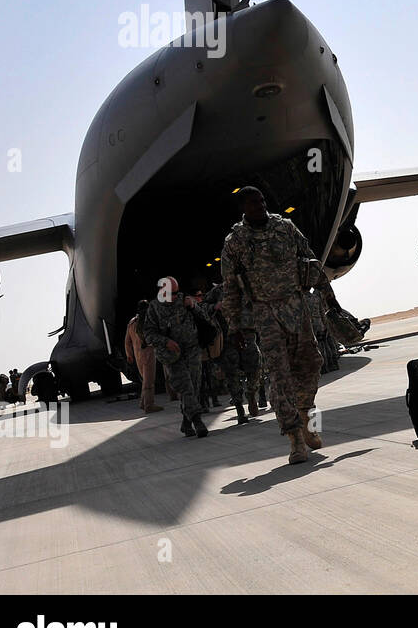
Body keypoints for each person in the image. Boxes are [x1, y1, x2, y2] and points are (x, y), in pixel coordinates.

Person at [219, 186, 331, 464]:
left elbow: (311, 260)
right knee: (279, 376)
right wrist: (234, 327)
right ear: (243, 208)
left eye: (262, 201)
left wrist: (329, 297)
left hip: (296, 306)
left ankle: (306, 416)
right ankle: (294, 439)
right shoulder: (235, 242)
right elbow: (231, 288)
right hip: (265, 313)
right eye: (253, 203)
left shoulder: (286, 228)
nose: (260, 206)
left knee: (311, 363)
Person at [141, 276, 210, 438]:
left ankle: (186, 424)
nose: (175, 296)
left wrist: (193, 306)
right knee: (186, 387)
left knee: (194, 385)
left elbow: (204, 318)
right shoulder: (154, 308)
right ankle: (197, 421)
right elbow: (148, 334)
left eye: (176, 292)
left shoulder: (184, 301)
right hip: (172, 356)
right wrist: (166, 341)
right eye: (172, 293)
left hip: (192, 350)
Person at [201, 283, 252, 423]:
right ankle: (240, 409)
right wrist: (214, 307)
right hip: (226, 342)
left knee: (251, 369)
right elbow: (203, 308)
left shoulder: (243, 286)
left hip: (243, 336)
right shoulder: (217, 291)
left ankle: (251, 398)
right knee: (232, 374)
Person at [124, 301, 164, 414]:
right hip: (148, 353)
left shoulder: (132, 322)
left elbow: (127, 341)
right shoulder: (147, 320)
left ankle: (143, 403)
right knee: (149, 381)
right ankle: (149, 405)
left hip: (138, 355)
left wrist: (129, 355)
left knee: (145, 380)